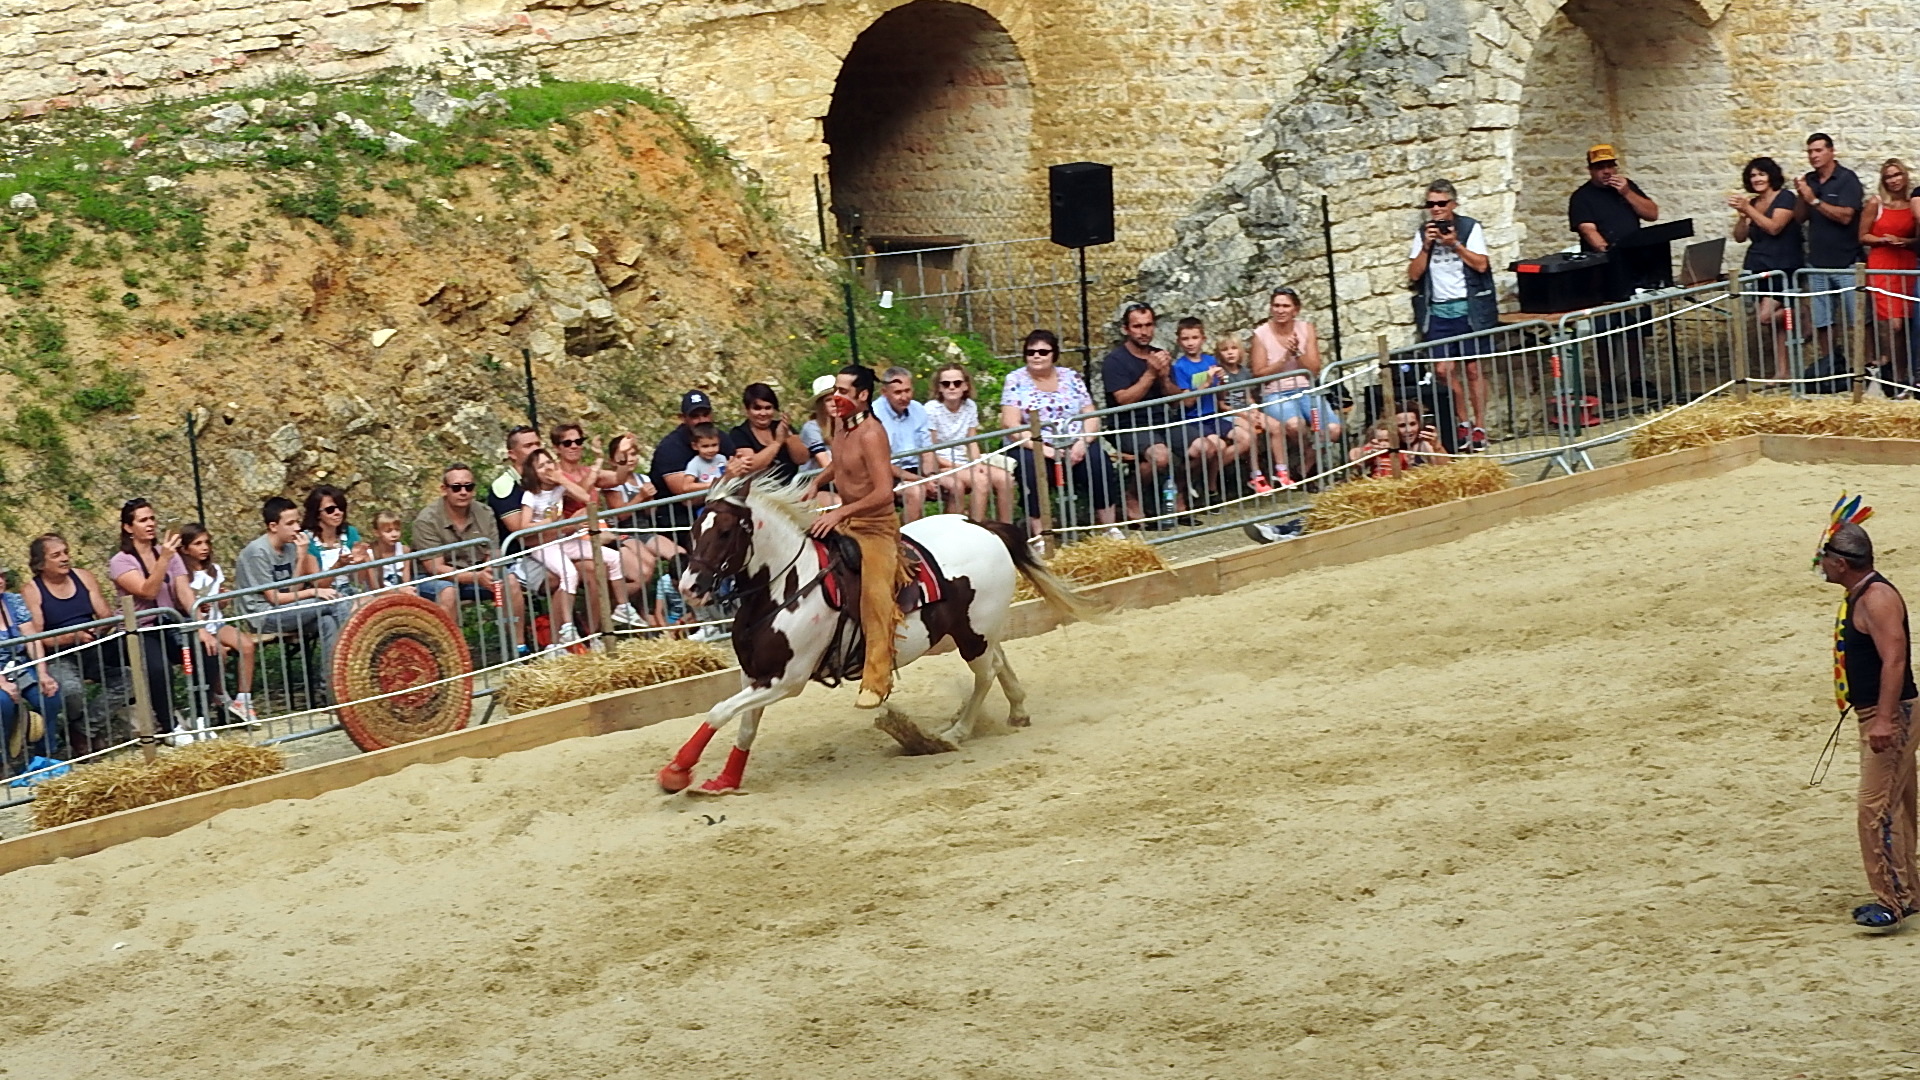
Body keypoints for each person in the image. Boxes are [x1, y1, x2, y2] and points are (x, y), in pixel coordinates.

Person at [1819, 520, 1919, 930]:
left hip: (1889, 714)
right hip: (1881, 712)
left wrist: (1884, 718)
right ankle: (1910, 892)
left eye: (1825, 558)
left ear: (1841, 563)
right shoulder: (1862, 593)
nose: (1821, 565)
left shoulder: (1877, 598)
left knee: (1874, 808)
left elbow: (1895, 660)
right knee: (1899, 805)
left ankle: (1891, 902)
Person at [803, 364, 913, 709]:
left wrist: (839, 512)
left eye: (844, 391)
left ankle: (877, 680)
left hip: (877, 527)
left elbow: (883, 491)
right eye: (835, 390)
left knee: (876, 596)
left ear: (863, 395)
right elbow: (841, 462)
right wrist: (817, 481)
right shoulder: (841, 424)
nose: (835, 397)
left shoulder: (871, 433)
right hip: (847, 519)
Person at [1102, 303, 1219, 527]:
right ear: (1126, 329)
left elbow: (1176, 399)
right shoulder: (1115, 361)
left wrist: (1164, 377)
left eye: (1148, 325)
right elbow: (1123, 400)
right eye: (1137, 326)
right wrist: (1150, 374)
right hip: (1130, 424)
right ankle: (1131, 497)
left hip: (1163, 420)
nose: (1144, 331)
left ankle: (1178, 492)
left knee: (1205, 449)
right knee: (1160, 456)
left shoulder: (1159, 355)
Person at [1000, 330, 1122, 538]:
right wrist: (1043, 449)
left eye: (1043, 352)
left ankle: (1109, 527)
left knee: (1098, 461)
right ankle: (1041, 534)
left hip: (1073, 440)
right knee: (1031, 468)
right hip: (1033, 443)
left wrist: (1083, 442)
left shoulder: (1071, 376)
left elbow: (1090, 414)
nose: (1036, 356)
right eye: (1031, 352)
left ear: (1054, 354)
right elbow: (1010, 423)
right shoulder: (1015, 380)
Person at [1407, 179, 1495, 451]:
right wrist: (1427, 246)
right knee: (1442, 370)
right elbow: (1414, 274)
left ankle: (1480, 426)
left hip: (1469, 309)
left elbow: (1481, 265)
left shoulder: (1469, 227)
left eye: (1441, 203)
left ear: (1453, 204)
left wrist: (1454, 243)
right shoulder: (1424, 233)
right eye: (1431, 204)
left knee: (1473, 369)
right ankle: (1463, 421)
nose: (1436, 209)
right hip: (1438, 310)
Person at [1569, 143, 1660, 404]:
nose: (1607, 171)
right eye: (1600, 167)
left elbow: (1652, 213)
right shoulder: (1582, 197)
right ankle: (1607, 382)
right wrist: (1609, 252)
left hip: (1635, 267)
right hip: (1602, 270)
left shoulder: (1627, 188)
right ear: (1590, 170)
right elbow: (1588, 230)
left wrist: (1627, 192)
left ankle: (1635, 378)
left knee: (1636, 327)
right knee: (1605, 329)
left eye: (1610, 166)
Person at [22, 533, 129, 756]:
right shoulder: (32, 590)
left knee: (130, 676)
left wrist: (96, 630)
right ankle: (86, 733)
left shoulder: (83, 576)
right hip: (59, 653)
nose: (64, 559)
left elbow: (105, 615)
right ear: (40, 564)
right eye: (56, 555)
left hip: (93, 646)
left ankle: (82, 730)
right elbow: (37, 636)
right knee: (72, 691)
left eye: (66, 552)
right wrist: (71, 638)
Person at [234, 496, 348, 704]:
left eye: (297, 521)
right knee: (335, 602)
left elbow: (293, 590)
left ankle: (332, 691)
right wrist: (313, 592)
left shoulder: (290, 547)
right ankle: (353, 666)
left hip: (288, 608)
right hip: (264, 615)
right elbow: (275, 598)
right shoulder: (257, 552)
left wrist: (302, 556)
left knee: (328, 622)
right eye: (290, 523)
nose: (297, 528)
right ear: (273, 526)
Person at [520, 447, 625, 650]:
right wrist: (551, 522)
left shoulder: (560, 488)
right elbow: (524, 526)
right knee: (569, 573)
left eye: (549, 462)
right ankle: (567, 627)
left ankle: (623, 606)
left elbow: (585, 497)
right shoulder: (531, 495)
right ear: (533, 473)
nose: (547, 468)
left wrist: (562, 479)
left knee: (612, 557)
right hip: (544, 544)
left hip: (563, 540)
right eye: (541, 466)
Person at [107, 498, 193, 740]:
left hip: (169, 622)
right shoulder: (120, 561)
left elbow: (183, 590)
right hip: (140, 629)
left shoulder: (168, 553)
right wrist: (163, 559)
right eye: (143, 520)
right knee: (158, 667)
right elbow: (147, 592)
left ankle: (201, 716)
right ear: (128, 527)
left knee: (203, 651)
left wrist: (199, 622)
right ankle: (169, 726)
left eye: (152, 518)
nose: (150, 524)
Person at [1251, 287, 1343, 484]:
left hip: (1305, 390)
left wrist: (1297, 354)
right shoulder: (1261, 334)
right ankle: (1308, 466)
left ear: (1295, 309)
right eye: (1276, 305)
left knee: (1333, 429)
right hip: (1275, 392)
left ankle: (1304, 465)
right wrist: (1284, 360)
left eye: (1285, 306)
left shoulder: (1306, 328)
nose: (1280, 310)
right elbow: (1258, 374)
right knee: (1295, 425)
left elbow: (1314, 369)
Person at [1728, 156, 1802, 382]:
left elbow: (1774, 227)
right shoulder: (1752, 204)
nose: (1757, 179)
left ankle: (1801, 315)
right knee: (1774, 327)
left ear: (1771, 176)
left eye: (1761, 174)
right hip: (1760, 268)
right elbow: (1740, 237)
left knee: (1766, 317)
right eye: (1753, 175)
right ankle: (1783, 371)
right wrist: (1743, 216)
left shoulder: (1785, 197)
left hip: (1782, 265)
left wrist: (1749, 210)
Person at [1795, 133, 1866, 366]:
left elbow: (1846, 216)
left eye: (1818, 150)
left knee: (1859, 319)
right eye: (1810, 152)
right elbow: (1799, 218)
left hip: (1846, 262)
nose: (1813, 156)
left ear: (1831, 151)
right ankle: (1830, 365)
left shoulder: (1846, 179)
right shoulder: (1810, 180)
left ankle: (1868, 366)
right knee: (1822, 321)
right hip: (1817, 263)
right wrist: (1802, 196)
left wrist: (1814, 200)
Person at [177, 523, 256, 726]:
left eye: (206, 542)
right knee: (218, 652)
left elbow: (218, 599)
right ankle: (221, 696)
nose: (204, 547)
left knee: (246, 645)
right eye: (198, 544)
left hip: (216, 622)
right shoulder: (182, 576)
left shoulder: (214, 570)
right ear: (185, 549)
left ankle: (243, 699)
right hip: (198, 627)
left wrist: (222, 600)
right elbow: (181, 603)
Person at [598, 434, 675, 628]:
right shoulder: (612, 483)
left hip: (644, 528)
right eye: (624, 455)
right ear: (613, 460)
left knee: (678, 555)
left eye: (633, 454)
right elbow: (620, 515)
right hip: (622, 531)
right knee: (647, 565)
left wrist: (650, 501)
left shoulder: (644, 479)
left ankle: (677, 610)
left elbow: (650, 513)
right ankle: (614, 606)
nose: (630, 458)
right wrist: (640, 497)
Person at [413, 463, 504, 624]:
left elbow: (493, 551)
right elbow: (435, 568)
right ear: (444, 489)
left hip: (476, 573)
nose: (463, 492)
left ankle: (518, 639)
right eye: (456, 488)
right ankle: (451, 640)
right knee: (448, 592)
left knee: (510, 581)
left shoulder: (485, 513)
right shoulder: (426, 520)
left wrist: (489, 571)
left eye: (468, 487)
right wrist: (476, 577)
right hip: (434, 578)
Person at [924, 362, 1014, 523]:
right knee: (980, 481)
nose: (952, 387)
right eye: (946, 384)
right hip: (941, 465)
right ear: (939, 388)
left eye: (957, 383)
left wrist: (977, 463)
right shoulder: (931, 409)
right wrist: (960, 466)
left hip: (964, 462)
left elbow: (972, 441)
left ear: (965, 386)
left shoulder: (970, 406)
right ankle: (975, 527)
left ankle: (1006, 528)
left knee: (1005, 478)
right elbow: (929, 451)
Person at [1861, 159, 1917, 392]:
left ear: (1904, 176)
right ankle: (1894, 376)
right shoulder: (1876, 203)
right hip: (1882, 264)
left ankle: (1906, 376)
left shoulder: (1913, 204)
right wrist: (1882, 240)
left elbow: (1917, 239)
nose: (1894, 180)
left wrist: (1904, 241)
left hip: (1906, 264)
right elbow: (1862, 235)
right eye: (1888, 177)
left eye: (1897, 175)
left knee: (1907, 323)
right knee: (1892, 324)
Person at [650, 390, 739, 538]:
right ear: (683, 418)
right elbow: (686, 496)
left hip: (718, 507)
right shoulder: (670, 447)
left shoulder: (720, 437)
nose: (702, 420)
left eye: (705, 414)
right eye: (695, 416)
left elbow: (738, 468)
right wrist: (724, 480)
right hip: (678, 517)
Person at [0, 568, 61, 764]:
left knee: (49, 696)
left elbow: (32, 640)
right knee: (3, 703)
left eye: (1, 576)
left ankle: (45, 755)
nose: (0, 581)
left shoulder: (13, 601)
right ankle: (5, 758)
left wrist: (43, 673)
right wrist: (2, 683)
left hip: (19, 664)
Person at [874, 367, 937, 522]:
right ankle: (906, 536)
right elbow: (882, 462)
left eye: (907, 391)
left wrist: (930, 476)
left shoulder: (918, 409)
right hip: (885, 474)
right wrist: (920, 480)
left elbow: (927, 450)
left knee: (954, 485)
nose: (904, 397)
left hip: (915, 470)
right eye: (898, 392)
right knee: (916, 492)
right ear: (884, 392)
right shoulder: (874, 415)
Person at [1216, 334, 1272, 492]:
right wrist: (1244, 414)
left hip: (1245, 410)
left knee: (1274, 426)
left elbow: (1248, 396)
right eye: (1225, 350)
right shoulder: (1221, 375)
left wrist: (1254, 408)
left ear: (1240, 351)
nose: (1230, 352)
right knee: (1251, 432)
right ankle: (1255, 474)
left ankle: (1280, 470)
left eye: (1234, 348)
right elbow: (1222, 404)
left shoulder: (1245, 372)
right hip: (1230, 414)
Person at [728, 383, 811, 485]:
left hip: (792, 486)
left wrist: (788, 436)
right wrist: (777, 443)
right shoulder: (739, 433)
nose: (763, 413)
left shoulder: (782, 427)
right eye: (757, 408)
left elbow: (802, 459)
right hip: (760, 489)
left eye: (768, 408)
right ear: (747, 410)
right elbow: (751, 466)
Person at [302, 485, 370, 595]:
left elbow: (359, 580)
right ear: (317, 514)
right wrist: (338, 565)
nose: (338, 512)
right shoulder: (307, 539)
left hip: (350, 590)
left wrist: (360, 562)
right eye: (330, 510)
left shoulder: (350, 532)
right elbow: (318, 584)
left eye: (341, 507)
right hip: (324, 595)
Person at [1347, 407, 1443, 477]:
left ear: (1419, 424)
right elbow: (1356, 457)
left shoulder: (1424, 444)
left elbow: (1445, 469)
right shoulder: (1380, 443)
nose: (1408, 430)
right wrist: (1365, 452)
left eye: (1413, 424)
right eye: (1402, 425)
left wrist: (1437, 447)